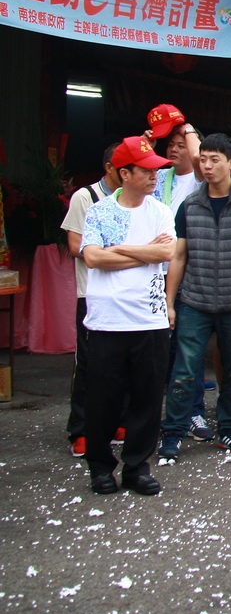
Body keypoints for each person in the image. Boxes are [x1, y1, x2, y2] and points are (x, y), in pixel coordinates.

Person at [159, 133, 231, 459]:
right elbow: (179, 256)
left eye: (214, 159)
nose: (207, 165)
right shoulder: (189, 205)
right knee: (184, 371)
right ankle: (172, 434)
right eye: (203, 159)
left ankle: (229, 430)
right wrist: (169, 304)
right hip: (194, 302)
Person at [79, 136, 176, 495]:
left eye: (156, 170)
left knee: (147, 398)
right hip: (107, 319)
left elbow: (166, 255)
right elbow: (93, 258)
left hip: (149, 318)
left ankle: (137, 467)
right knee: (102, 398)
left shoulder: (160, 211)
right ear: (124, 173)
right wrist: (144, 251)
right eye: (147, 170)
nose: (155, 177)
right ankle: (100, 467)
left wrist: (119, 250)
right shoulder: (100, 211)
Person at [148, 106, 212, 440]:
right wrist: (147, 145)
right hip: (154, 272)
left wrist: (185, 126)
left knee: (191, 349)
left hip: (189, 274)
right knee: (162, 350)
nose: (173, 149)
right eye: (168, 143)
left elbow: (201, 160)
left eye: (178, 142)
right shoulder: (159, 177)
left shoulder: (202, 177)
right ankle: (162, 415)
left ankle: (194, 413)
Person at [61, 142, 121, 458]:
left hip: (126, 293)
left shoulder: (135, 200)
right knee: (88, 363)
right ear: (110, 167)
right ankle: (81, 429)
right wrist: (123, 252)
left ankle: (118, 421)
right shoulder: (86, 197)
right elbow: (76, 245)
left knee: (123, 362)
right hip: (92, 292)